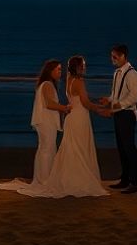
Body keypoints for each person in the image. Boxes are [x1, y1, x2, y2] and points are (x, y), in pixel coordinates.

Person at [15, 55, 110, 198]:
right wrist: (99, 110)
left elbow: (77, 99)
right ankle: (60, 179)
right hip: (78, 118)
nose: (84, 67)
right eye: (82, 65)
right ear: (77, 66)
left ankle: (51, 178)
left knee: (69, 148)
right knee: (74, 148)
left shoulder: (68, 81)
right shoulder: (74, 81)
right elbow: (84, 102)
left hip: (71, 118)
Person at [0, 59, 69, 191]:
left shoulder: (44, 84)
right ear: (50, 71)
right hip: (46, 122)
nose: (60, 72)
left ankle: (42, 178)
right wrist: (64, 108)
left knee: (45, 148)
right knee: (47, 149)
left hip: (44, 121)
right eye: (58, 69)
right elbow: (49, 104)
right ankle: (44, 180)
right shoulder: (47, 84)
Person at [98, 43, 137, 193]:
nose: (112, 59)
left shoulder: (132, 74)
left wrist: (113, 108)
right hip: (118, 113)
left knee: (129, 149)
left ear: (123, 56)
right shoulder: (117, 73)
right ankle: (124, 179)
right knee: (121, 148)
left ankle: (134, 183)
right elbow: (116, 94)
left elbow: (133, 98)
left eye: (115, 56)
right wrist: (109, 99)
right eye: (111, 56)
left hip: (127, 114)